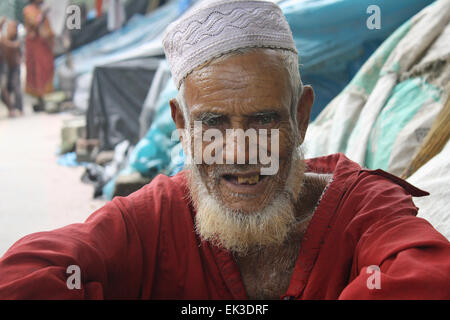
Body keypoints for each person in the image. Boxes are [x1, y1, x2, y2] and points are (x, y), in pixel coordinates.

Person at [0, 0, 449, 299]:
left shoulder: (362, 207)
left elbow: (430, 279)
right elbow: (24, 275)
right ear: (181, 125)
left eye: (265, 119)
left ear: (303, 116)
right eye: (213, 123)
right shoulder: (156, 217)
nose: (239, 151)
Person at [23, 0, 54, 112]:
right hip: (35, 46)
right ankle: (40, 99)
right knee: (38, 71)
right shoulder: (28, 10)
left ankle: (46, 97)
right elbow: (34, 23)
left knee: (46, 69)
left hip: (44, 45)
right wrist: (42, 15)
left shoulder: (40, 10)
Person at [1, 20, 23, 117]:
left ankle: (19, 108)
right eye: (10, 27)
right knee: (4, 90)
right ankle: (12, 108)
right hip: (6, 68)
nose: (11, 30)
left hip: (14, 68)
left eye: (13, 28)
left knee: (16, 87)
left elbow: (14, 46)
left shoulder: (16, 40)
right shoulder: (4, 39)